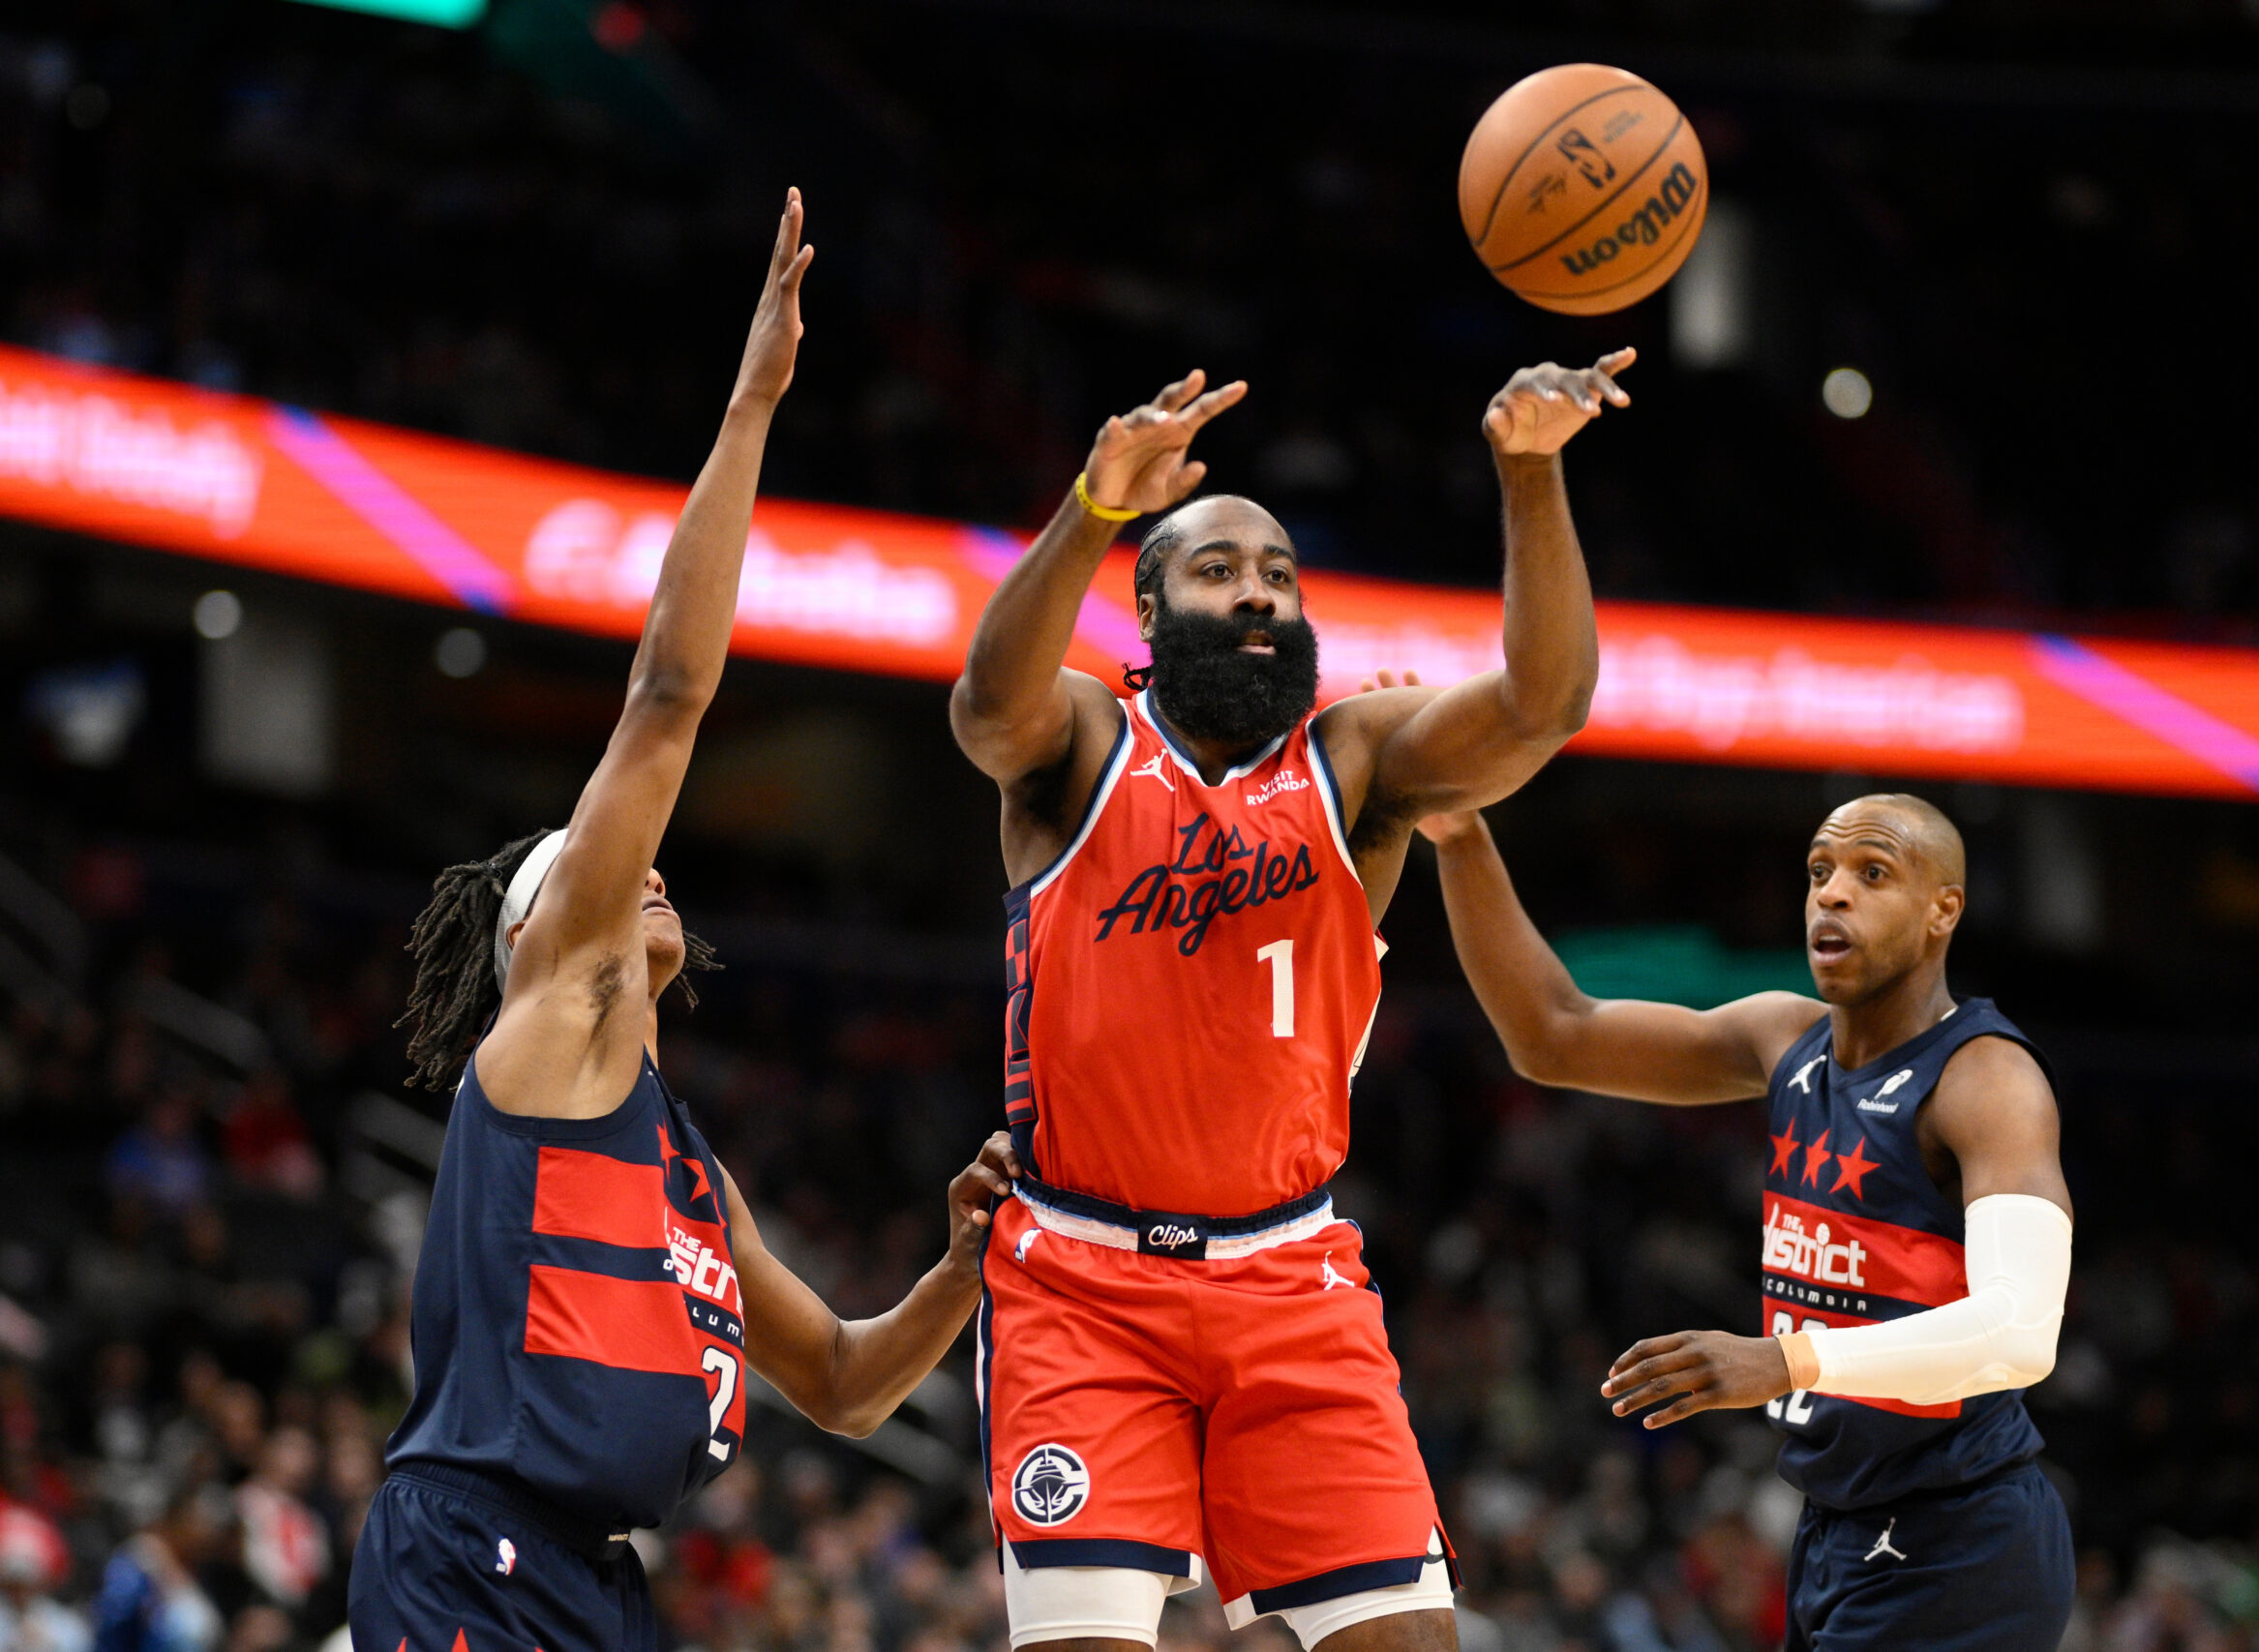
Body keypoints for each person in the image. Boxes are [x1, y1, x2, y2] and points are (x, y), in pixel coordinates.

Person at [354, 191, 1019, 1652]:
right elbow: (667, 695)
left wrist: (961, 1269)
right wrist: (753, 403)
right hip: (473, 1545)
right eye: (587, 866)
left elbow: (845, 1380)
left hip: (595, 1581)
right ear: (549, 933)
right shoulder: (552, 1032)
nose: (635, 869)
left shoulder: (683, 1162)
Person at [949, 349, 1633, 1652]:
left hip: (1292, 1277)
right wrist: (1094, 505)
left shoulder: (1355, 759)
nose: (1258, 592)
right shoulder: (1086, 740)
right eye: (1218, 570)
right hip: (1082, 1282)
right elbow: (988, 703)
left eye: (1277, 573)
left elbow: (1547, 704)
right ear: (1148, 609)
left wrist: (1530, 477)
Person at [1415, 789, 2075, 1652]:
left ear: (1942, 909)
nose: (1832, 893)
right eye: (1819, 871)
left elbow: (2022, 1331)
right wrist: (1460, 837)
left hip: (1960, 1538)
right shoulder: (1785, 1039)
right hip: (1835, 1530)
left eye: (1872, 873)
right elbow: (1552, 1034)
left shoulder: (1986, 1079)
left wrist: (1784, 1359)